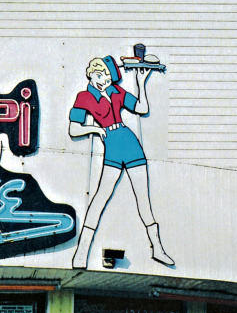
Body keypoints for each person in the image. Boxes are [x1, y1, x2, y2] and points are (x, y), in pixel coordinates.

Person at [68, 55, 174, 268]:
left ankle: (158, 248)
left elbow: (141, 108)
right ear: (91, 74)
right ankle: (82, 251)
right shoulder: (84, 97)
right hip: (112, 144)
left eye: (108, 78)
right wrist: (95, 129)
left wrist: (141, 82)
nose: (104, 81)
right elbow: (74, 128)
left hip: (129, 141)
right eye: (101, 76)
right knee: (101, 196)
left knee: (143, 199)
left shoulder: (116, 91)